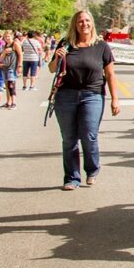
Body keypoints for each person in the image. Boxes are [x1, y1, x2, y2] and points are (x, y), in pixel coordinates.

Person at [49, 10, 119, 190]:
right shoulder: (66, 44)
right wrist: (58, 56)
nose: (84, 24)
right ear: (75, 24)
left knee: (89, 135)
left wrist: (115, 99)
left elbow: (110, 74)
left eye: (87, 20)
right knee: (69, 139)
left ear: (92, 23)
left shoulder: (102, 46)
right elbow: (51, 69)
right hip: (66, 95)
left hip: (92, 95)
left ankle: (92, 169)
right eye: (80, 21)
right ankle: (72, 178)